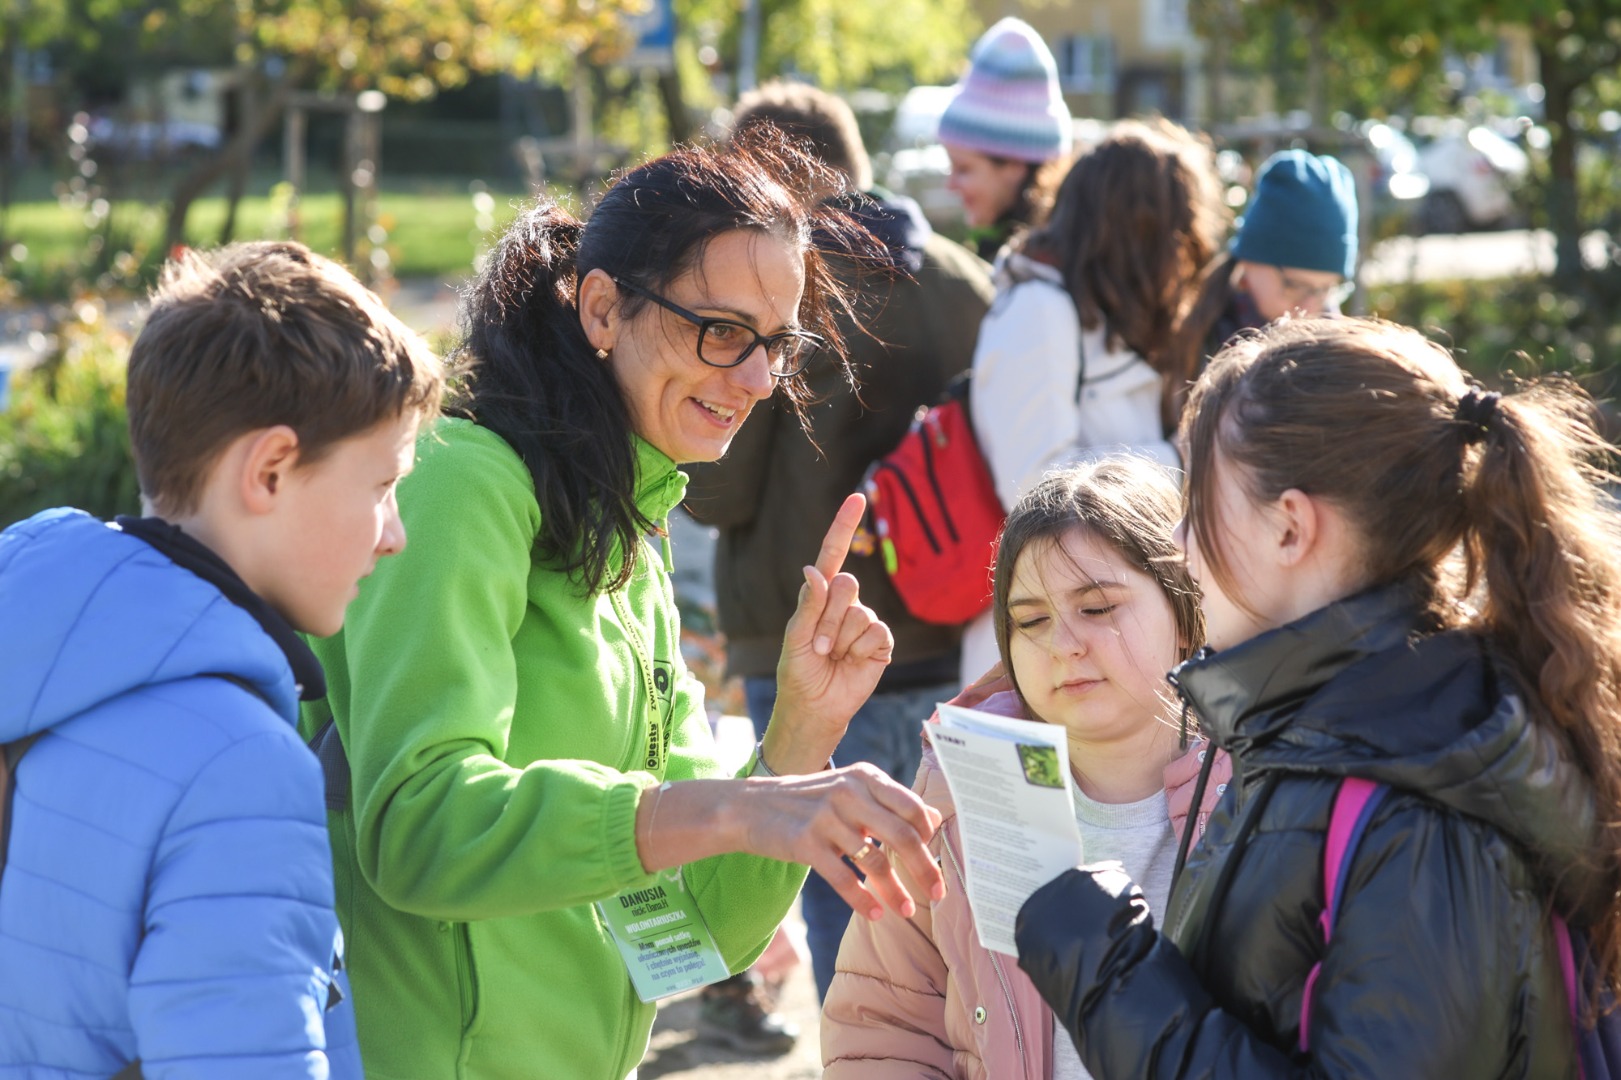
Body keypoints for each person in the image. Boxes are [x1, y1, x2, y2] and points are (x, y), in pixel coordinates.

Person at [302, 134, 947, 1080]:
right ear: (601, 306)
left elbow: (694, 936)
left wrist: (800, 738)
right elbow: (417, 829)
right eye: (723, 331)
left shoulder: (628, 535)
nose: (760, 379)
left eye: (780, 343)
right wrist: (729, 808)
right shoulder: (461, 481)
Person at [1015, 317, 1620, 1076]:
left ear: (1290, 527)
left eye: (1196, 500)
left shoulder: (1420, 802)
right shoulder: (1329, 732)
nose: (1177, 540)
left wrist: (1105, 970)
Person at [0, 241, 444, 1078]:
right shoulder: (237, 764)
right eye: (383, 486)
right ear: (271, 469)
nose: (394, 535)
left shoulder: (39, 663)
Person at [684, 81, 996, 1015]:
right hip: (954, 638)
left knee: (842, 910)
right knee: (948, 908)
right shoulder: (965, 285)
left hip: (806, 639)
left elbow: (720, 485)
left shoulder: (776, 294)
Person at [821, 457, 1232, 1079]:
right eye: (1031, 620)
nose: (1063, 643)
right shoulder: (957, 793)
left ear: (1185, 611)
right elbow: (884, 1026)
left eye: (1098, 608)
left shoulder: (1266, 784)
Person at [959, 118, 1229, 683]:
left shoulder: (1095, 313)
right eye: (1177, 231)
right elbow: (1032, 486)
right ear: (1140, 229)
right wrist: (1178, 459)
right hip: (1042, 648)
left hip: (1098, 643)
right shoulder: (1039, 310)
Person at [1171, 148, 1359, 384]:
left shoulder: (1340, 358)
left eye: (1326, 289)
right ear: (1250, 260)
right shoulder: (1186, 341)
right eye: (1295, 285)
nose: (1309, 307)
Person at [937, 17, 1073, 262]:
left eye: (964, 169)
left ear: (1015, 166)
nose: (951, 184)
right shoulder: (1010, 250)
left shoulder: (1043, 269)